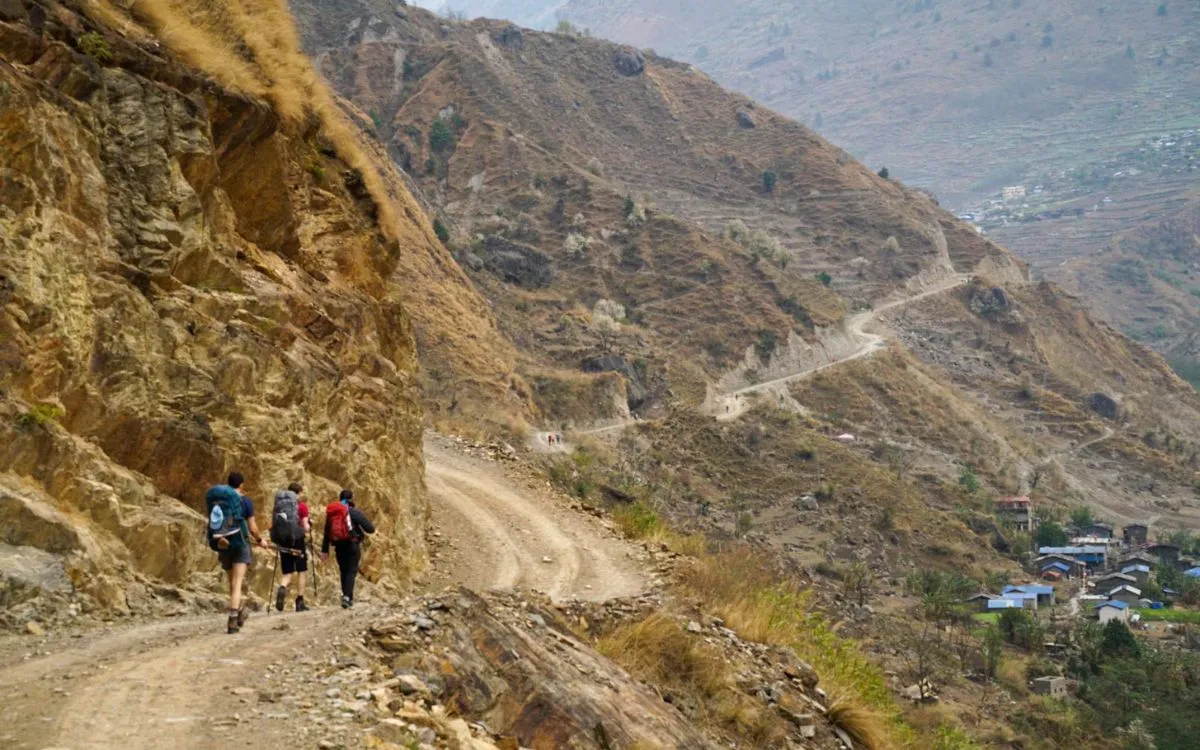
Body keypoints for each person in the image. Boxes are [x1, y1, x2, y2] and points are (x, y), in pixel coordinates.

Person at [206, 471, 269, 634]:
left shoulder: (219, 500)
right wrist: (260, 540)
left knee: (232, 582)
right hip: (240, 542)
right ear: (241, 484)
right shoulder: (245, 501)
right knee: (238, 582)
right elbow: (252, 527)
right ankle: (233, 619)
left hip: (223, 542)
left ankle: (239, 610)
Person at [321, 489, 375, 609]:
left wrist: (324, 550)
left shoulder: (333, 514)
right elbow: (370, 529)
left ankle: (347, 598)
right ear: (351, 499)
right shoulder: (353, 512)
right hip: (352, 544)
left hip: (338, 546)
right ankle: (347, 597)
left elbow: (326, 532)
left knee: (344, 571)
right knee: (351, 571)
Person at [271, 482, 311, 612]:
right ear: (298, 493)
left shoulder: (279, 506)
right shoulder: (302, 507)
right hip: (297, 541)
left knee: (287, 572)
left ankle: (282, 587)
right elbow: (305, 527)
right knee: (301, 571)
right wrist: (308, 527)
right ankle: (300, 601)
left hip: (283, 541)